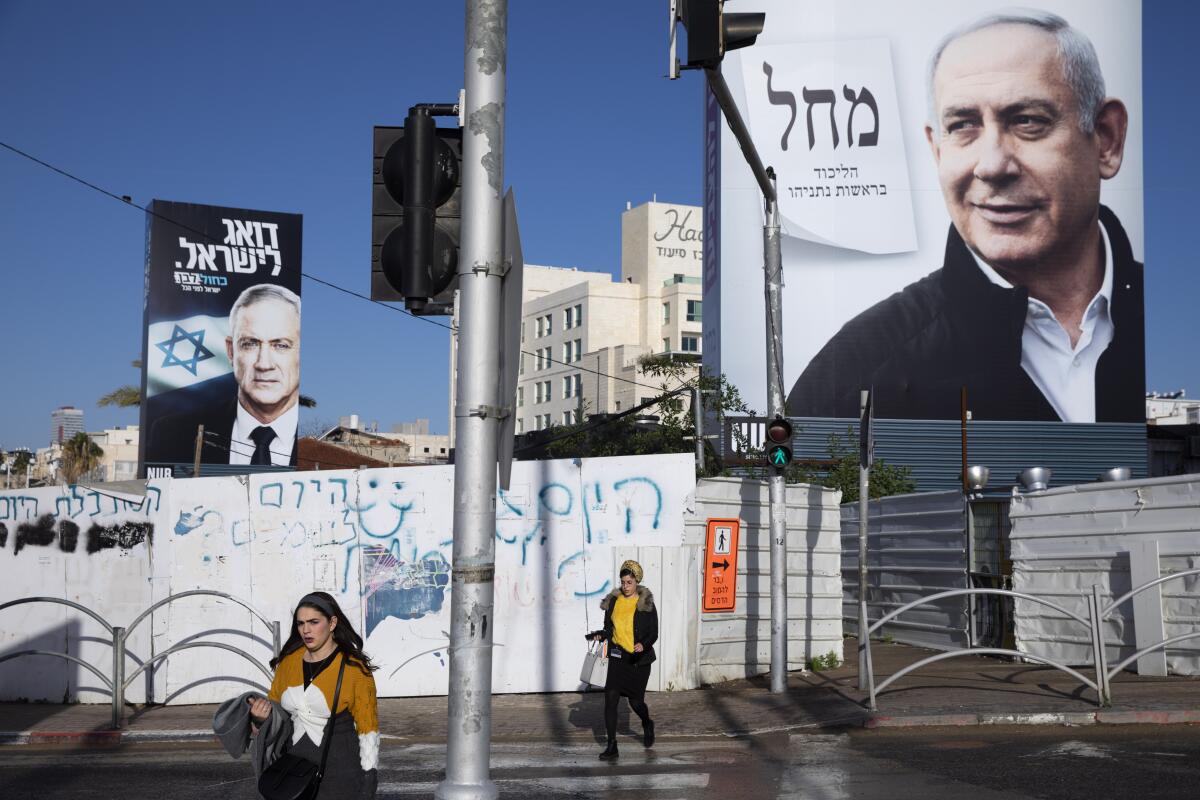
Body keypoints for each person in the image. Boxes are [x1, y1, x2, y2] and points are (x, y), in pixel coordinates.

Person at [787, 10, 1143, 423]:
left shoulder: (1165, 316)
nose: (991, 165)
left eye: (1027, 121)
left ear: (1106, 139)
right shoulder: (851, 377)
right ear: (937, 150)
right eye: (963, 126)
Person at [146, 283, 302, 466]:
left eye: (281, 345)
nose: (264, 364)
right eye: (250, 343)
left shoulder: (321, 446)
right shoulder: (172, 435)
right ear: (231, 351)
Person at [248, 591, 379, 799]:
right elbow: (276, 714)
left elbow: (368, 728)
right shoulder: (289, 662)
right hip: (293, 772)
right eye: (300, 624)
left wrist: (369, 777)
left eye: (314, 622)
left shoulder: (354, 668)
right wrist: (259, 718)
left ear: (332, 622)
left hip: (341, 776)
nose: (306, 630)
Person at [587, 559, 658, 761]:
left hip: (638, 661)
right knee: (610, 699)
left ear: (637, 582)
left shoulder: (646, 604)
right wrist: (601, 634)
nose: (625, 586)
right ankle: (612, 746)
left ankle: (647, 722)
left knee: (636, 703)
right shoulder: (614, 602)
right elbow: (610, 628)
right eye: (623, 582)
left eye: (629, 582)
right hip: (617, 658)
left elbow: (654, 632)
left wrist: (643, 644)